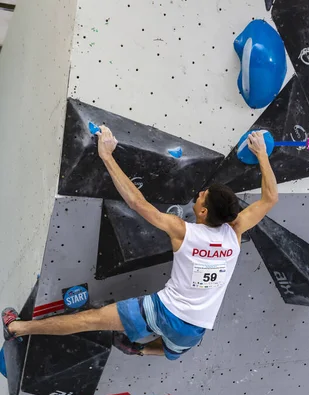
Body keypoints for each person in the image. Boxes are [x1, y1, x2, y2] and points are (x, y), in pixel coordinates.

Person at [2, 128, 278, 360]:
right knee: (171, 353)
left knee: (90, 320)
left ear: (204, 212)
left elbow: (137, 202)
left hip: (162, 310)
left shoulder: (183, 231)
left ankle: (17, 328)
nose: (198, 194)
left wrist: (106, 155)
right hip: (194, 328)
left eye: (201, 197)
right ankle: (140, 350)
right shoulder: (235, 232)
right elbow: (269, 199)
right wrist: (263, 155)